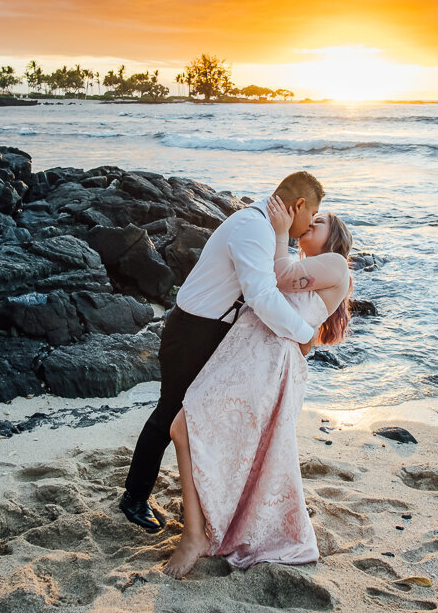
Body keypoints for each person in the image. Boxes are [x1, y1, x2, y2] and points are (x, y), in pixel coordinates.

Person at [119, 172, 325, 533]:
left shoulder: (264, 227)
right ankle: (133, 497)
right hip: (192, 332)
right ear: (299, 206)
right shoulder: (253, 227)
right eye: (313, 215)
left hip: (215, 332)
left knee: (208, 418)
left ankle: (209, 502)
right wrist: (305, 333)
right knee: (170, 413)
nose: (309, 225)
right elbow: (262, 296)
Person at [164, 198, 353, 577]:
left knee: (184, 427)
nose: (310, 222)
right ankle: (202, 530)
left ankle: (195, 536)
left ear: (334, 237)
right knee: (196, 431)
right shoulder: (305, 264)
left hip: (266, 362)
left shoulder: (336, 264)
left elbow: (280, 278)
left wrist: (282, 233)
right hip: (245, 353)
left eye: (320, 222)